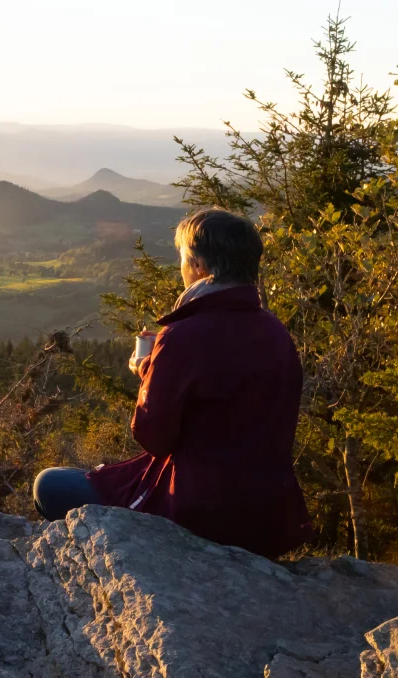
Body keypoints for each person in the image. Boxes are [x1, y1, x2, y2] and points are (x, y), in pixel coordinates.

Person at [33, 208, 312, 559]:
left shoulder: (182, 335)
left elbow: (154, 437)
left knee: (50, 485)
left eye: (182, 258)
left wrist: (149, 373)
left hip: (197, 511)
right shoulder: (276, 332)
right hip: (267, 515)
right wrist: (159, 368)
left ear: (199, 267)